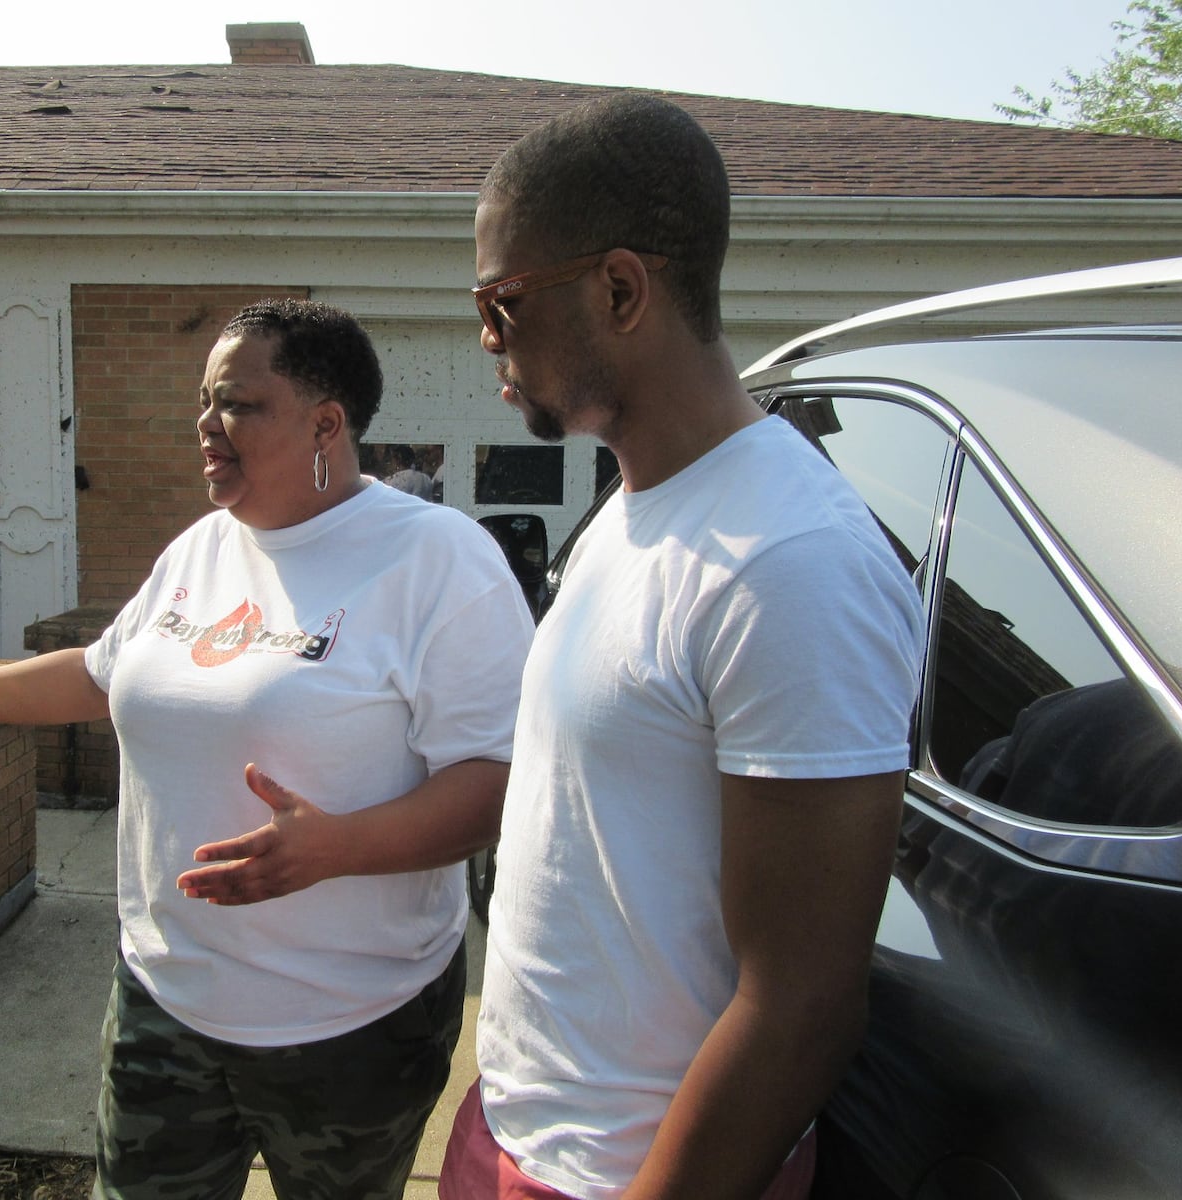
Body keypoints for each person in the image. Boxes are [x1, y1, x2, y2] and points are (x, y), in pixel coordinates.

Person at [0, 298, 533, 1200]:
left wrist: (336, 849)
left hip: (349, 1028)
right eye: (205, 400)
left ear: (327, 423)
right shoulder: (201, 546)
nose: (206, 423)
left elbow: (498, 782)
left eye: (238, 403)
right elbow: (97, 676)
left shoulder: (438, 560)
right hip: (165, 1005)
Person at [439, 94, 925, 1200]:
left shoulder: (789, 563)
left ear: (620, 289)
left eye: (501, 300)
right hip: (516, 1126)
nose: (484, 337)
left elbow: (800, 1009)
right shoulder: (633, 505)